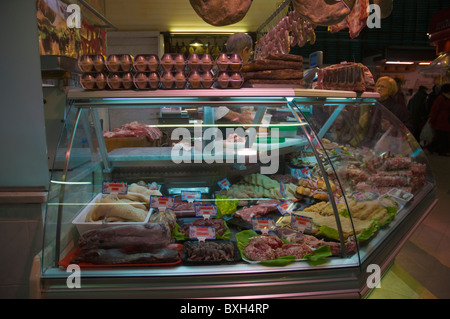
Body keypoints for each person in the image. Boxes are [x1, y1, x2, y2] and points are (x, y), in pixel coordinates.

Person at [215, 33, 254, 124]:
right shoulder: (219, 73)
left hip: (237, 130)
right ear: (244, 50)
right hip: (221, 130)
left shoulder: (240, 72)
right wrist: (239, 116)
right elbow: (212, 106)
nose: (249, 56)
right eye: (250, 52)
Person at [428, 83, 450, 156]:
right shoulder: (441, 98)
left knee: (440, 137)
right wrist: (432, 119)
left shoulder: (443, 98)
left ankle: (433, 148)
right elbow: (435, 110)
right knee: (442, 137)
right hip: (441, 120)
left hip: (443, 120)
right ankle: (440, 150)